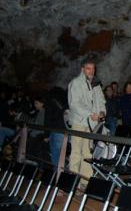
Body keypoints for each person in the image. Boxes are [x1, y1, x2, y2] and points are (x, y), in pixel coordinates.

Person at [67, 58, 106, 189]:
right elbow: (74, 104)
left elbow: (101, 100)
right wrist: (90, 114)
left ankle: (86, 182)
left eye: (93, 68)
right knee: (76, 152)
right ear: (82, 69)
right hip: (79, 123)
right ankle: (73, 182)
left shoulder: (96, 84)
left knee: (88, 153)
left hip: (91, 125)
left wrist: (101, 112)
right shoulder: (75, 83)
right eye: (88, 68)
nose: (91, 71)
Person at [44, 87, 68, 169]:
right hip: (65, 129)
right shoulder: (66, 99)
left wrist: (46, 134)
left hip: (55, 129)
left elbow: (48, 117)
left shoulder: (50, 99)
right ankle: (60, 174)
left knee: (55, 154)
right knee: (61, 154)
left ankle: (56, 175)